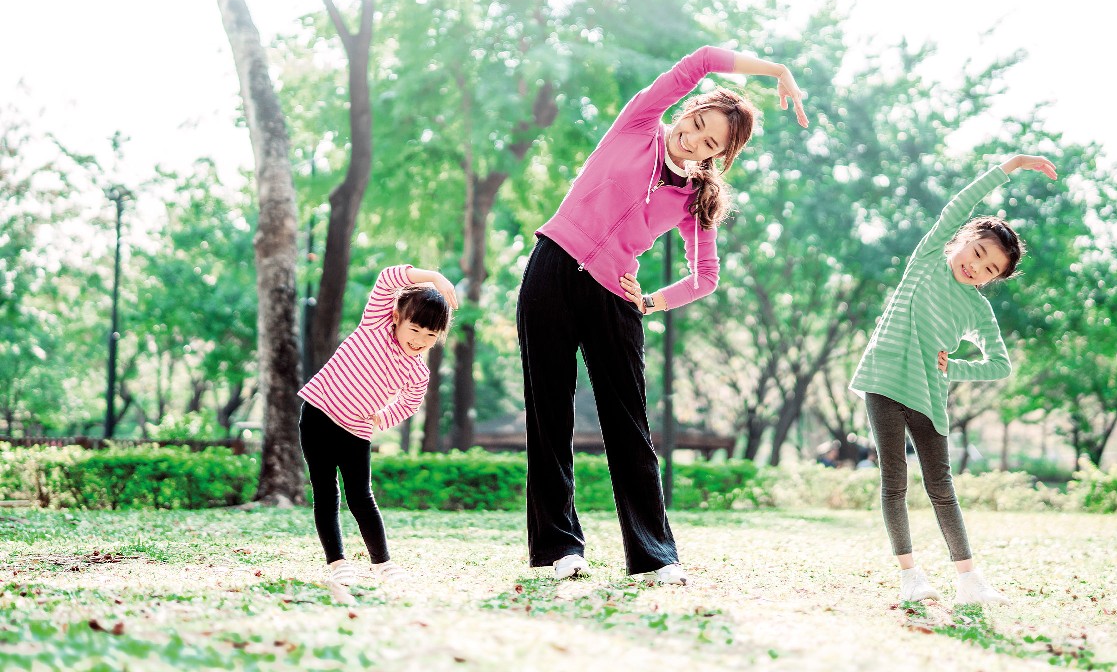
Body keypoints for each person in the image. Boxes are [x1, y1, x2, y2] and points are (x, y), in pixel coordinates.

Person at [518, 45, 808, 585]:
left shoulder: (696, 198)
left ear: (717, 156)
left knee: (628, 427)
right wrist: (776, 71)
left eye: (710, 141)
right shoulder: (640, 123)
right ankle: (559, 549)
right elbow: (700, 60)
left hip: (615, 297)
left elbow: (706, 276)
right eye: (696, 123)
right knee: (548, 413)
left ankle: (654, 556)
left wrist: (651, 301)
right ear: (686, 111)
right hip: (552, 269)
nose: (693, 138)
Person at [849, 154, 1057, 605]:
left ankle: (969, 581)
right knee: (895, 481)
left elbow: (999, 364)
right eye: (977, 253)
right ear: (961, 239)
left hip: (928, 394)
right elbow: (959, 205)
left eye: (989, 270)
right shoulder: (927, 258)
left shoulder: (977, 309)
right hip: (883, 380)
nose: (976, 268)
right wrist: (1011, 166)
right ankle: (911, 577)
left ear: (994, 280)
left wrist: (954, 368)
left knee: (942, 487)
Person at [297, 265, 458, 589]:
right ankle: (338, 563)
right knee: (326, 494)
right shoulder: (376, 325)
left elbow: (411, 403)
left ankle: (382, 563)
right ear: (398, 317)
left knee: (361, 497)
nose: (419, 341)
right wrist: (434, 278)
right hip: (318, 416)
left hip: (356, 431)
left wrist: (383, 417)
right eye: (415, 330)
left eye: (430, 337)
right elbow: (387, 277)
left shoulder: (417, 373)